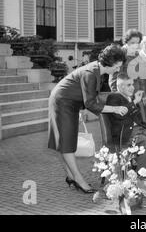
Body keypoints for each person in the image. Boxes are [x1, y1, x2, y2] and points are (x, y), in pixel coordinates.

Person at [48, 45, 128, 193]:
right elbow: (91, 103)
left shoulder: (96, 70)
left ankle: (71, 176)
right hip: (62, 102)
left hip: (68, 102)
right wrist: (114, 109)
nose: (118, 70)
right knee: (67, 143)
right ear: (109, 62)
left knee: (67, 141)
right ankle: (78, 179)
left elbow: (87, 96)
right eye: (117, 66)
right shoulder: (91, 73)